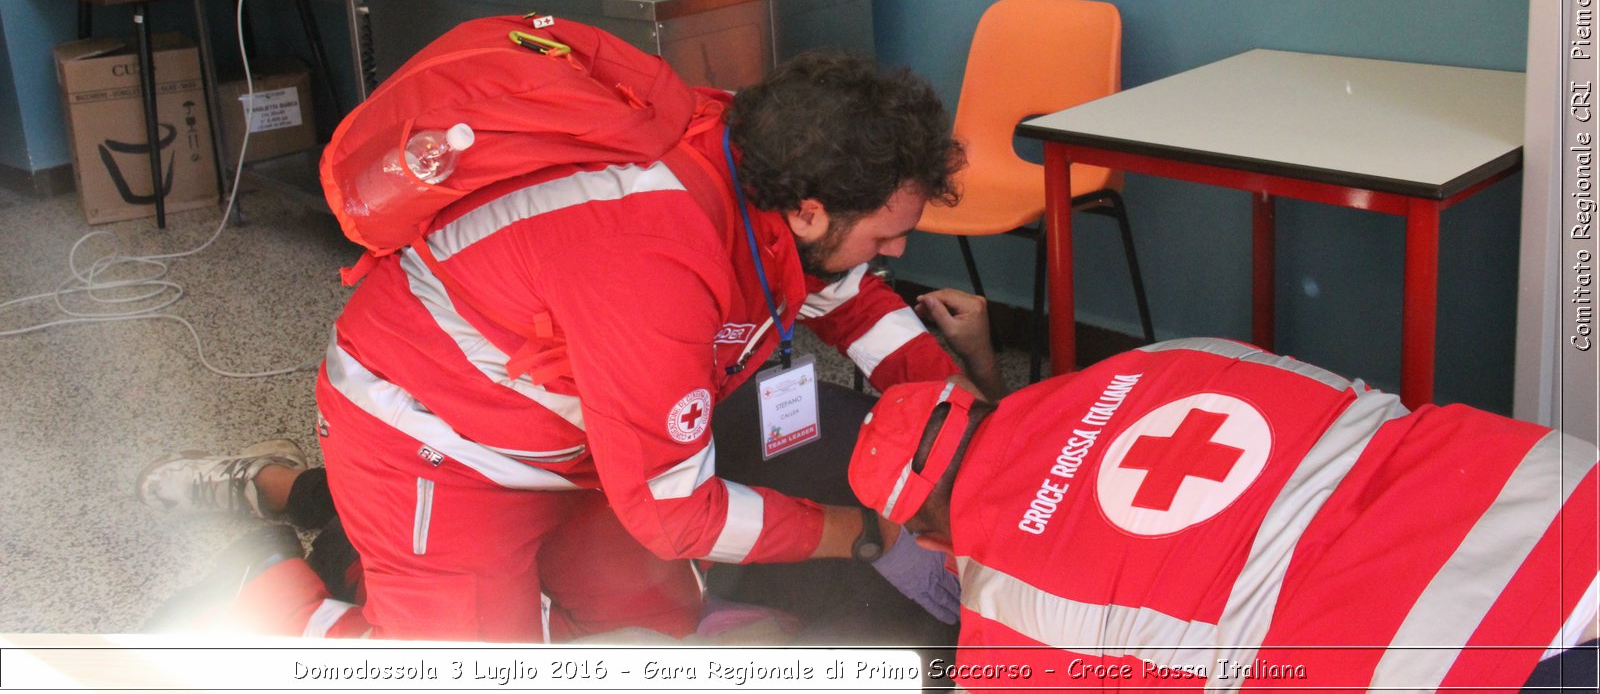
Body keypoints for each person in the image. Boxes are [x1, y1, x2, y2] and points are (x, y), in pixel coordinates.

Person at [141, 49, 1001, 642]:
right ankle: (256, 574)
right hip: (435, 446)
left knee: (656, 618)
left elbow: (853, 301)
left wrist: (974, 434)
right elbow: (674, 510)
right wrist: (868, 534)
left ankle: (314, 500)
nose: (895, 255)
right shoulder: (655, 259)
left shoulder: (766, 165)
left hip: (572, 437)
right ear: (811, 209)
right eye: (886, 235)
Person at [848, 337, 1600, 692]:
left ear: (929, 536)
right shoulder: (1160, 355)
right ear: (976, 397)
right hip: (1552, 492)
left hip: (1444, 650)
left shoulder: (1005, 619)